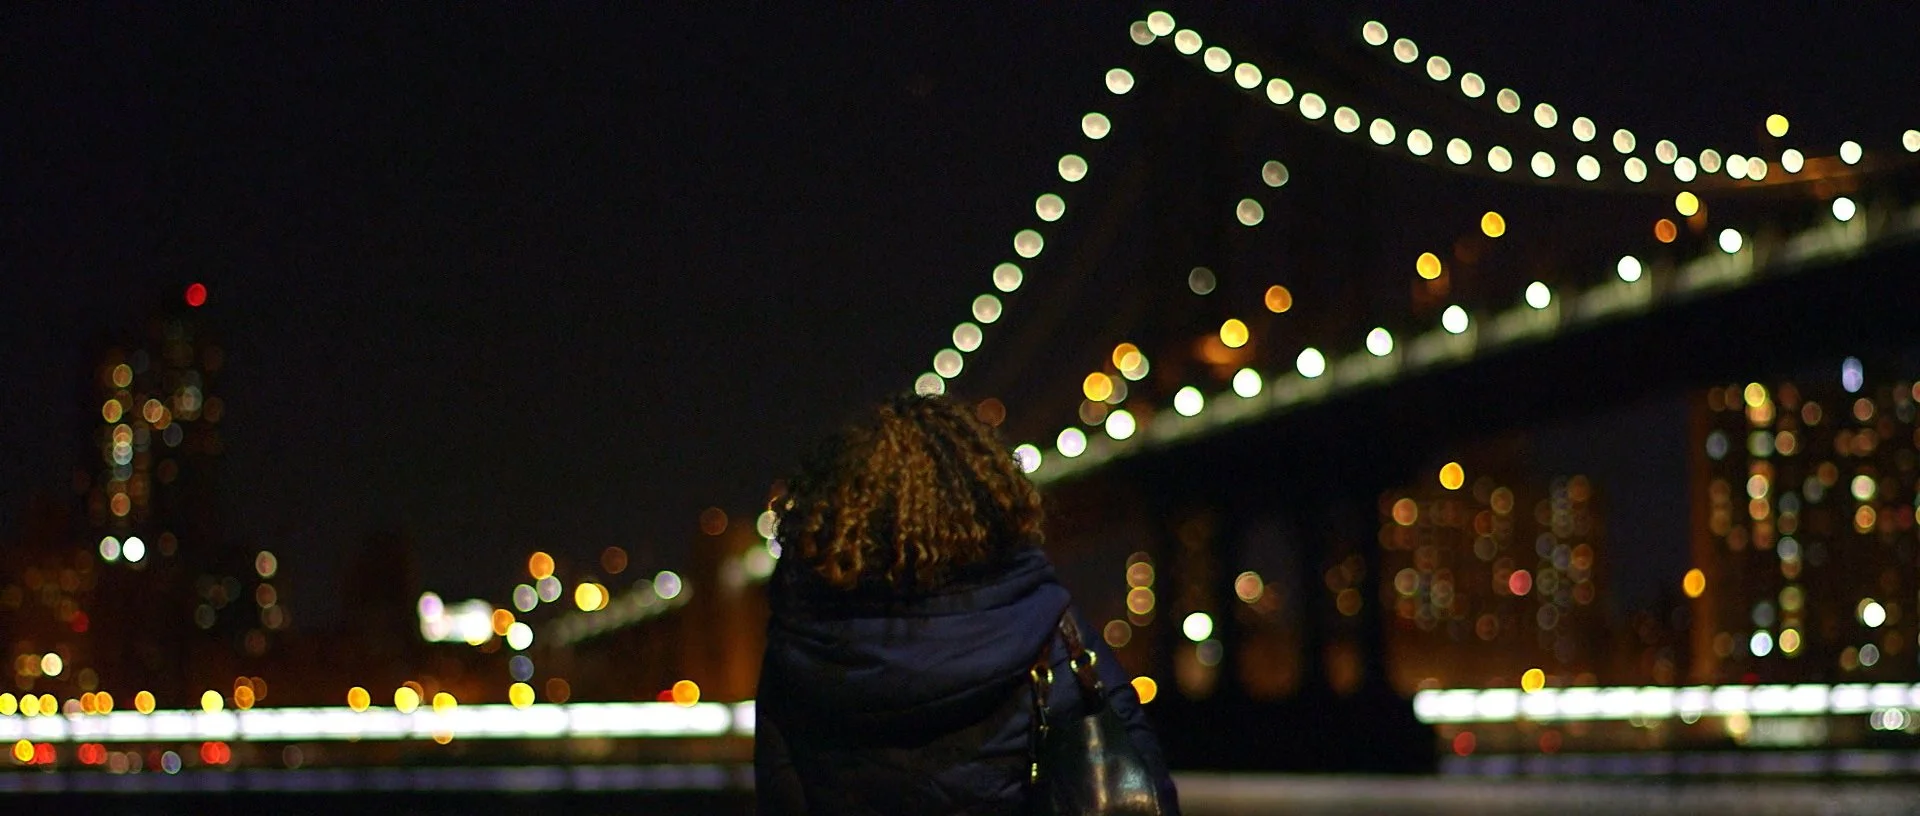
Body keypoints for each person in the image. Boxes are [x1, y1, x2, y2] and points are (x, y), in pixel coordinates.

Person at [754, 393, 1179, 814]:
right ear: (988, 497)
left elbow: (781, 792)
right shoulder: (1049, 631)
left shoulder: (799, 646)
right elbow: (1139, 775)